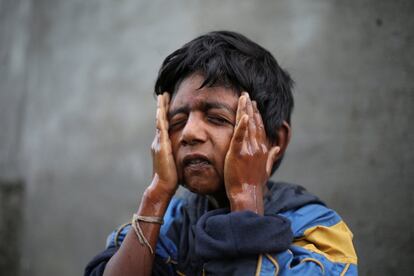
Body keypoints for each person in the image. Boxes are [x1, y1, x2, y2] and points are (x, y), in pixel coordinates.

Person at [85, 31, 357, 276]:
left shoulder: (317, 230)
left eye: (216, 118)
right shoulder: (172, 224)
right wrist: (157, 195)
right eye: (177, 122)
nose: (190, 133)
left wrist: (245, 197)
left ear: (276, 139)